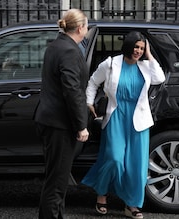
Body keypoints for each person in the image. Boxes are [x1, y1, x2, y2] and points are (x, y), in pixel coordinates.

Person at [81, 31, 165, 219]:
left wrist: (150, 55)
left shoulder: (145, 66)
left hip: (139, 121)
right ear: (128, 45)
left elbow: (160, 79)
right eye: (136, 47)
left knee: (137, 166)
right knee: (114, 159)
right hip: (116, 117)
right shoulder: (111, 63)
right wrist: (89, 102)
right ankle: (102, 193)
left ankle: (132, 204)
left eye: (142, 48)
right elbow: (93, 82)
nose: (138, 51)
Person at [34, 9, 90, 219]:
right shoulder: (69, 50)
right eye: (86, 25)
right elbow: (71, 90)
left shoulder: (56, 45)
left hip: (50, 121)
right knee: (56, 184)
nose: (87, 29)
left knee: (55, 180)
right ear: (80, 28)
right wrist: (81, 125)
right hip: (60, 124)